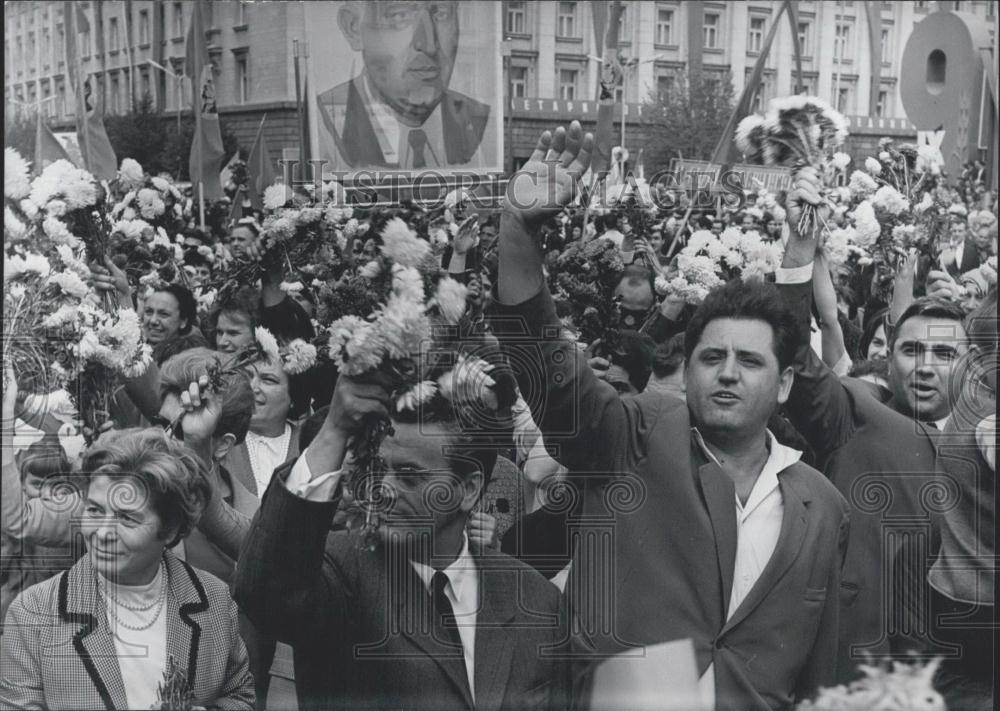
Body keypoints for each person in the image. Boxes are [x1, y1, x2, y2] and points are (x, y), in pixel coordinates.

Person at [493, 122, 849, 709]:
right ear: (687, 372)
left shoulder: (821, 504)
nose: (728, 372)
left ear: (784, 383)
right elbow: (549, 371)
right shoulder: (635, 435)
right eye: (711, 357)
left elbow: (820, 670)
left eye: (749, 361)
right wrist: (518, 234)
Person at [233, 358, 572, 711]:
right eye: (379, 469)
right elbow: (264, 590)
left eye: (410, 475)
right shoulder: (338, 571)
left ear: (468, 489)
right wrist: (335, 428)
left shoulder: (537, 602)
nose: (384, 489)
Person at [773, 168, 970, 682]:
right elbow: (793, 352)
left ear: (971, 368)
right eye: (910, 350)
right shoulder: (855, 413)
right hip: (853, 672)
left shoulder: (985, 447)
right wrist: (798, 253)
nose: (925, 365)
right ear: (889, 360)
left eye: (944, 353)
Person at [0, 428, 255, 710]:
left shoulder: (214, 601)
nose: (103, 532)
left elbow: (240, 696)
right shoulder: (34, 612)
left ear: (170, 530)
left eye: (127, 518)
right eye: (95, 511)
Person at [317, 0, 490, 171]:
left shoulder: (480, 125)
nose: (428, 44)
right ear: (353, 28)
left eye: (441, 14)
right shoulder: (323, 126)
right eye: (400, 15)